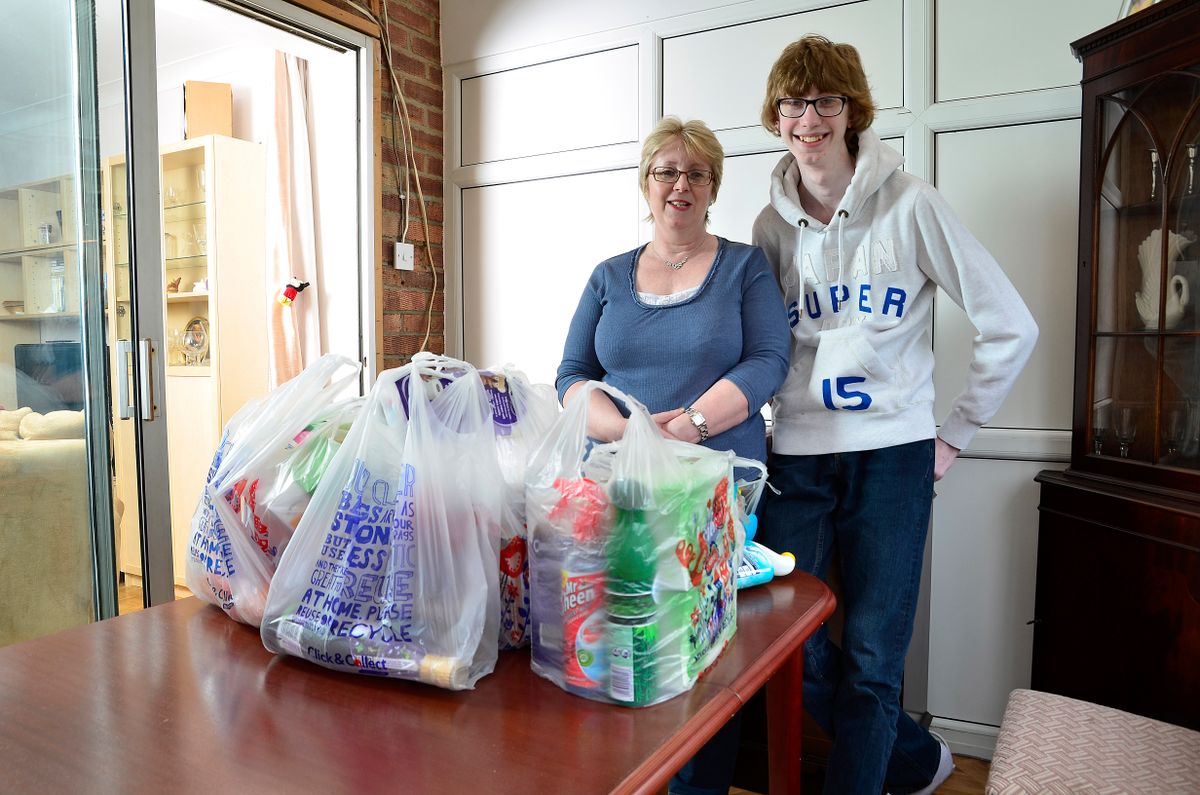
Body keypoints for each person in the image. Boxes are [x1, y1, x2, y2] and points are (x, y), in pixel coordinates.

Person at [751, 36, 1038, 795]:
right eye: (793, 102)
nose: (808, 117)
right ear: (776, 116)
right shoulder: (769, 228)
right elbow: (760, 347)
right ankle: (914, 761)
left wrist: (954, 435)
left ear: (851, 111)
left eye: (825, 100)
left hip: (894, 458)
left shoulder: (912, 203)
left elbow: (1012, 323)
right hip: (800, 457)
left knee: (876, 657)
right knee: (786, 643)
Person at [556, 116, 791, 795]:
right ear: (646, 183)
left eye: (696, 173)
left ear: (713, 186)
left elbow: (769, 361)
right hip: (622, 495)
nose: (680, 184)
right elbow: (572, 375)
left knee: (707, 657)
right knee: (630, 646)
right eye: (667, 171)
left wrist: (686, 425)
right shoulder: (607, 276)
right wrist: (633, 435)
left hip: (718, 498)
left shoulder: (745, 266)